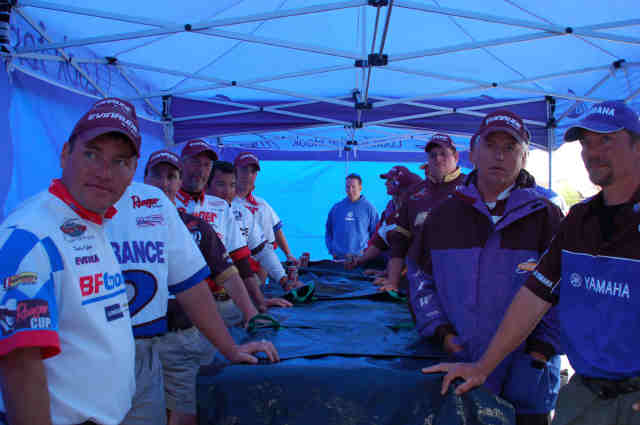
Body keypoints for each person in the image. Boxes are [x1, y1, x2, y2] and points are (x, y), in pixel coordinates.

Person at [423, 101, 640, 425]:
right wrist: (483, 367)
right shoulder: (579, 219)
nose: (593, 152)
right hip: (585, 394)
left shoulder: (546, 213)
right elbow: (536, 294)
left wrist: (539, 351)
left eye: (606, 140)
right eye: (586, 142)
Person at [415, 110, 567, 424]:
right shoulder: (443, 216)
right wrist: (443, 334)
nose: (499, 155)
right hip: (459, 373)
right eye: (490, 145)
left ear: (524, 157)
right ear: (472, 153)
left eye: (510, 147)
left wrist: (539, 351)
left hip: (528, 382)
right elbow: (419, 279)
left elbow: (569, 290)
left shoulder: (547, 216)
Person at [0, 98, 139, 425]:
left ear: (133, 170)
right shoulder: (30, 236)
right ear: (65, 154)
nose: (104, 172)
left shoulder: (90, 221)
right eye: (92, 154)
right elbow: (19, 364)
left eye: (120, 161)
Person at [139, 150, 277, 425]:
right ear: (143, 178)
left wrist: (252, 313)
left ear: (179, 183)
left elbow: (229, 273)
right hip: (132, 346)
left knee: (183, 413)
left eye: (171, 177)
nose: (164, 183)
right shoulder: (115, 220)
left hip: (179, 338)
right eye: (157, 175)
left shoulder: (195, 226)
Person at [174, 140, 263, 323]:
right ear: (181, 164)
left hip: (221, 303)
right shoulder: (166, 203)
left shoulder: (221, 206)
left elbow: (240, 258)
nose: (201, 170)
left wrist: (260, 302)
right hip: (179, 308)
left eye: (206, 165)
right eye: (195, 162)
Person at [374, 134, 466, 291]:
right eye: (433, 155)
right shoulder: (414, 193)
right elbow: (400, 242)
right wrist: (393, 281)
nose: (438, 159)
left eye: (443, 154)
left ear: (456, 157)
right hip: (422, 284)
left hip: (462, 282)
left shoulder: (472, 187)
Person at [208, 161, 301, 293]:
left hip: (241, 283)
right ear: (206, 185)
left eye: (232, 185)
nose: (227, 191)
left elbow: (263, 249)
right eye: (220, 184)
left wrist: (284, 281)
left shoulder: (244, 212)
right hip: (205, 290)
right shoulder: (194, 212)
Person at [346, 166, 422, 269]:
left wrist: (393, 274)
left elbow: (410, 248)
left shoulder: (414, 209)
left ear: (398, 183)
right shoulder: (390, 207)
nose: (385, 183)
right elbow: (380, 238)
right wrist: (360, 259)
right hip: (391, 261)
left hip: (408, 267)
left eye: (389, 180)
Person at [234, 152, 298, 274]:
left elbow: (276, 229)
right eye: (244, 170)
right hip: (235, 265)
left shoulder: (262, 204)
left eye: (253, 172)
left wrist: (288, 255)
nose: (248, 175)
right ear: (235, 171)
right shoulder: (225, 202)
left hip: (261, 263)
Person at [325, 173, 379, 260]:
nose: (350, 190)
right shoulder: (336, 208)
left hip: (360, 259)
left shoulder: (369, 208)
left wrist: (367, 255)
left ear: (360, 187)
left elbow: (376, 235)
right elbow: (328, 231)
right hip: (339, 259)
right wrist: (332, 250)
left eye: (353, 187)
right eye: (347, 187)